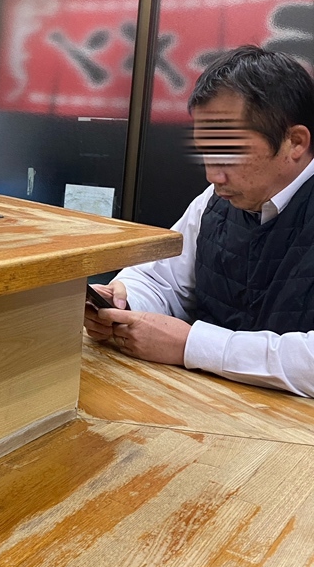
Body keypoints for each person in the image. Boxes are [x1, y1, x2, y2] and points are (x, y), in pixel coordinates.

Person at [84, 45, 314, 397]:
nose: (212, 175)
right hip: (206, 410)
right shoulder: (215, 201)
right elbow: (164, 279)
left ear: (294, 142)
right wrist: (123, 303)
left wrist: (191, 344)